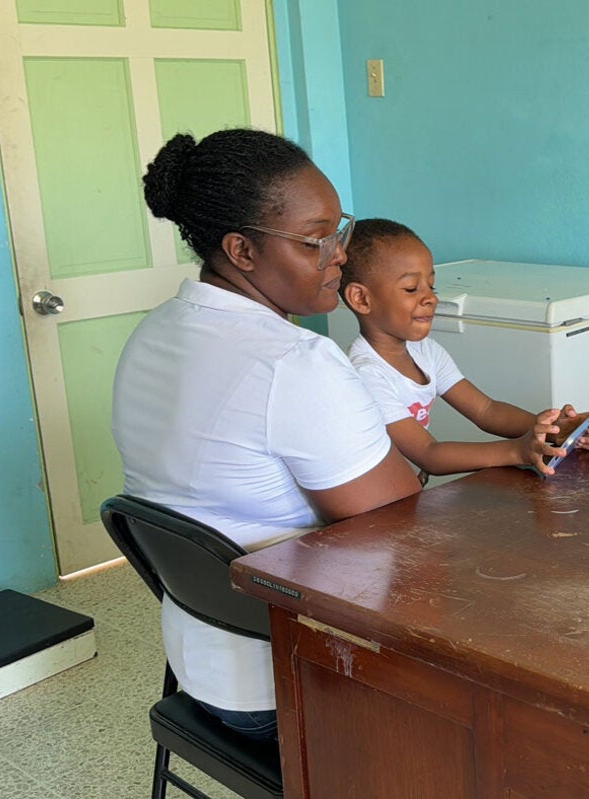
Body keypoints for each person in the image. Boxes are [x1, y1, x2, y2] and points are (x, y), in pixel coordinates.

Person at [112, 129, 421, 741]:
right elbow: (407, 532)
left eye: (341, 230)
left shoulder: (156, 331)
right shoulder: (296, 362)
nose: (340, 255)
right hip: (289, 686)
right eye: (315, 241)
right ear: (242, 252)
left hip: (201, 665)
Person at [338, 218, 589, 477]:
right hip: (375, 506)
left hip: (405, 493)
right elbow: (428, 453)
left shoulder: (426, 351)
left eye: (431, 286)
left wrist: (551, 430)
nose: (430, 298)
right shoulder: (366, 374)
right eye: (411, 289)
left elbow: (486, 410)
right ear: (361, 299)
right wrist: (517, 451)